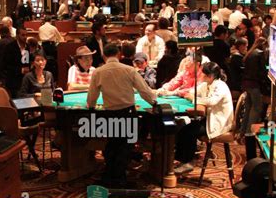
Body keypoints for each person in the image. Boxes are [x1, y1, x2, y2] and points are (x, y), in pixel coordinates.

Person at [87, 42, 157, 188]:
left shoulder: (98, 72)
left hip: (109, 114)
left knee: (111, 144)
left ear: (104, 55)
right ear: (119, 54)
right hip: (128, 112)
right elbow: (144, 90)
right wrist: (154, 102)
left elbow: (92, 95)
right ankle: (120, 178)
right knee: (125, 146)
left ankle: (110, 176)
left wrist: (91, 106)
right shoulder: (130, 70)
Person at [173, 62, 234, 175]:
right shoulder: (206, 84)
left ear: (210, 76)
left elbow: (212, 101)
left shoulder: (220, 86)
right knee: (183, 128)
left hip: (219, 122)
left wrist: (194, 99)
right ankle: (182, 160)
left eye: (203, 74)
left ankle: (188, 162)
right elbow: (192, 92)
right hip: (209, 119)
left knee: (189, 132)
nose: (201, 76)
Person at [238, 37, 268, 158]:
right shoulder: (259, 54)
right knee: (256, 109)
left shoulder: (249, 53)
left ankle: (242, 133)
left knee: (249, 108)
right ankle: (250, 134)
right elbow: (262, 71)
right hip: (254, 85)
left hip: (246, 84)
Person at [0, 24, 30, 97]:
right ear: (17, 35)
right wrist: (21, 70)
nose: (25, 37)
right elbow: (4, 66)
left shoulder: (27, 46)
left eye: (26, 35)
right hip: (12, 82)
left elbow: (26, 62)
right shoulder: (10, 47)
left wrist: (28, 68)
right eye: (23, 35)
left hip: (24, 80)